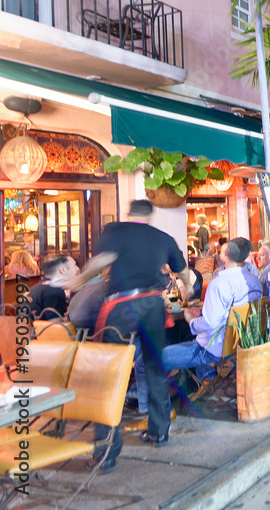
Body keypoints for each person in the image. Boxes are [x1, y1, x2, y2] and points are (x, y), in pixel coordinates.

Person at [70, 199, 191, 467]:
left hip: (122, 306)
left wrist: (75, 282)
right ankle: (159, 432)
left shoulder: (117, 230)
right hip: (154, 305)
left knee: (108, 373)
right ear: (151, 215)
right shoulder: (164, 238)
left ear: (130, 213)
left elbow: (101, 261)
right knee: (155, 368)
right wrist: (189, 291)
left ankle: (106, 453)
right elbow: (184, 273)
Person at [162, 237, 262, 397]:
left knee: (156, 356)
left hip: (214, 348)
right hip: (239, 344)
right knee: (192, 338)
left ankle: (156, 405)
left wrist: (190, 320)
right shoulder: (255, 282)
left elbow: (209, 323)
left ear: (225, 255)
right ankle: (208, 378)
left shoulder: (219, 283)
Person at [28, 255, 77, 320]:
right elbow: (55, 324)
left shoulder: (36, 287)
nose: (77, 269)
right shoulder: (54, 291)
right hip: (40, 329)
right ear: (62, 270)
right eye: (74, 266)